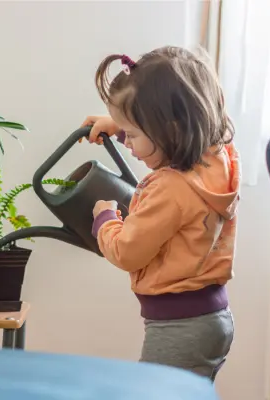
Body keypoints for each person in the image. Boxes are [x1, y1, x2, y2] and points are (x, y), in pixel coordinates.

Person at [83, 46, 240, 381]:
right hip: (212, 318)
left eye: (135, 134)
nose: (129, 144)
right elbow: (188, 130)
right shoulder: (218, 158)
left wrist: (105, 219)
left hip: (178, 329)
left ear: (169, 130)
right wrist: (121, 126)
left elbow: (127, 252)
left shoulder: (170, 189)